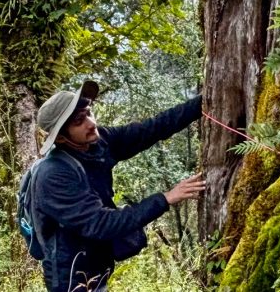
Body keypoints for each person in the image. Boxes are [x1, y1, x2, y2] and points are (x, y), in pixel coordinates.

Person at [29, 80, 206, 291]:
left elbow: (152, 129)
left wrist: (203, 104)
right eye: (79, 121)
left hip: (97, 264)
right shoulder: (54, 175)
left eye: (88, 113)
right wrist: (165, 199)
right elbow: (101, 224)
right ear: (60, 138)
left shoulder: (98, 141)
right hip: (71, 278)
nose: (90, 123)